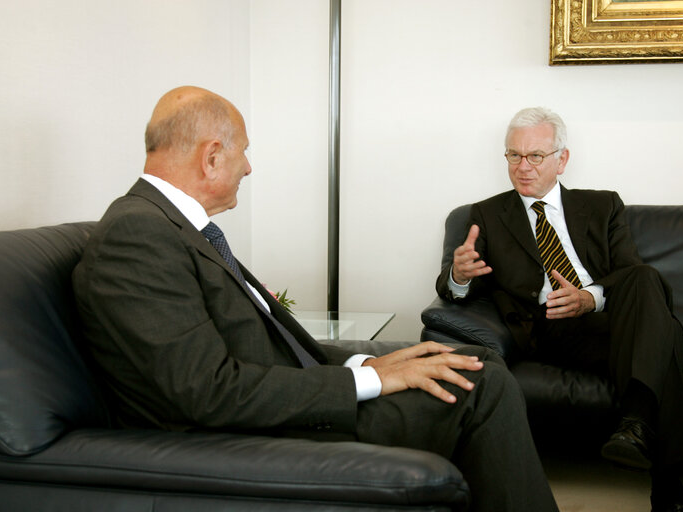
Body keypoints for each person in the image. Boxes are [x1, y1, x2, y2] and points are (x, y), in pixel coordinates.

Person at [72, 86, 559, 512]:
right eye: (243, 152)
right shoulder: (137, 235)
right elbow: (207, 392)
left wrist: (372, 361)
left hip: (288, 395)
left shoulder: (174, 227)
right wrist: (368, 380)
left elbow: (271, 343)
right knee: (483, 388)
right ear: (212, 156)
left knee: (474, 361)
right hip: (260, 430)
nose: (248, 166)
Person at [436, 107, 683, 512]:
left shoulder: (603, 206)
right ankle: (665, 485)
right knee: (665, 335)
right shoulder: (487, 215)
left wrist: (589, 296)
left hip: (611, 318)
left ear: (562, 159)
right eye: (513, 156)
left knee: (646, 279)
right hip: (551, 328)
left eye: (535, 156)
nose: (523, 167)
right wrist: (459, 272)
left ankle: (637, 426)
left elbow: (628, 272)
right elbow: (454, 290)